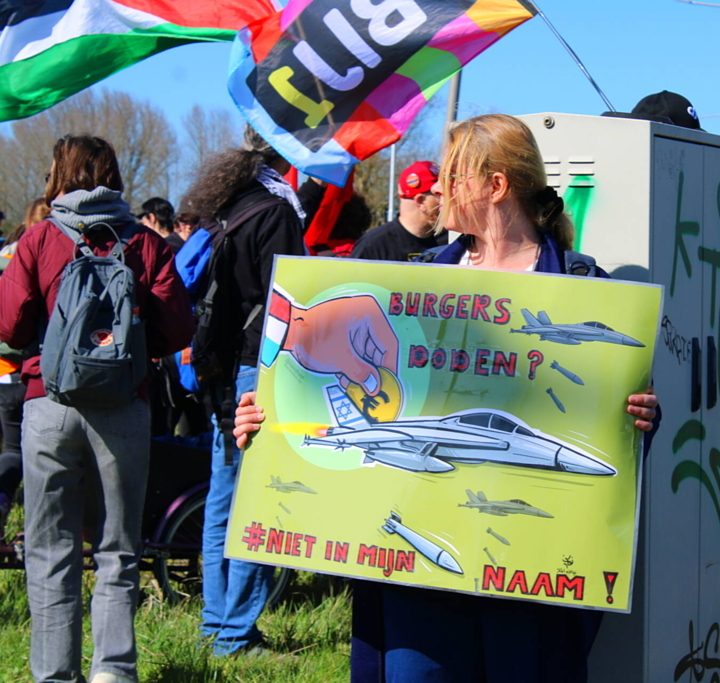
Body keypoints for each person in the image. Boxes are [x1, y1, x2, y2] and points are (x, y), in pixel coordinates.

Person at [233, 114, 659, 682]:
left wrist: (641, 418)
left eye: (453, 177)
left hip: (527, 577)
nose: (438, 190)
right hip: (418, 581)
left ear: (497, 186)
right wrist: (267, 424)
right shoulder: (413, 284)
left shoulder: (588, 293)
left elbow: (617, 440)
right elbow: (342, 392)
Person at [0, 135, 193, 683]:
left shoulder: (38, 238)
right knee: (119, 548)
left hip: (49, 403)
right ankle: (113, 673)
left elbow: (8, 325)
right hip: (125, 408)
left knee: (50, 549)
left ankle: (54, 675)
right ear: (113, 176)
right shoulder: (144, 243)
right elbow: (178, 328)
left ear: (58, 175)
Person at [182, 125, 306, 656]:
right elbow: (287, 298)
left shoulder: (225, 209)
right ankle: (236, 634)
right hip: (260, 366)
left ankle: (215, 623)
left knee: (222, 500)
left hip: (218, 366)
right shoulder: (276, 212)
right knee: (257, 500)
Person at [0, 198, 49, 538]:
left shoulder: (7, 253)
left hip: (3, 369)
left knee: (12, 450)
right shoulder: (50, 252)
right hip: (32, 370)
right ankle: (37, 530)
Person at [349, 161, 445, 261]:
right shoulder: (373, 246)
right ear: (421, 201)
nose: (448, 201)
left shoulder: (452, 243)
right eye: (440, 195)